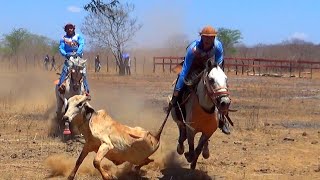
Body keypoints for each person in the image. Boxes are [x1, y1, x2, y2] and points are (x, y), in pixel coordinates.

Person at [169, 25, 230, 135]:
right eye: (205, 37)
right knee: (182, 87)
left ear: (214, 38)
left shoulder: (218, 46)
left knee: (221, 93)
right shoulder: (193, 49)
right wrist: (177, 90)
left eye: (211, 38)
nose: (208, 40)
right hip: (192, 69)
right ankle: (176, 108)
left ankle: (222, 119)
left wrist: (217, 77)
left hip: (209, 68)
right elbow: (185, 70)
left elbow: (219, 65)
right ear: (201, 37)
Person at [57, 23, 90, 94]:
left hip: (78, 56)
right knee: (65, 68)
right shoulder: (63, 38)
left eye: (71, 28)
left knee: (83, 71)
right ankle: (61, 85)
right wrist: (65, 54)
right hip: (69, 56)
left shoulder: (78, 36)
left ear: (73, 29)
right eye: (68, 28)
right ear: (66, 30)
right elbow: (61, 48)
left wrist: (78, 52)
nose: (70, 29)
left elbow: (81, 44)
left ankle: (86, 89)